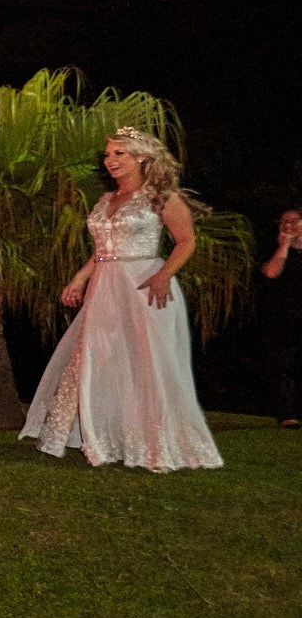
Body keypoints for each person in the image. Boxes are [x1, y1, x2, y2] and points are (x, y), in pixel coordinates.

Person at [21, 128, 223, 471]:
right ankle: (103, 435)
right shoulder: (105, 200)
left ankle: (155, 442)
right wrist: (80, 278)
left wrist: (163, 275)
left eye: (119, 154)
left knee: (147, 360)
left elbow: (186, 241)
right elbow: (103, 251)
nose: (109, 160)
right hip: (105, 286)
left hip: (144, 285)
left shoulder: (161, 196)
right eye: (108, 154)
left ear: (141, 157)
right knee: (98, 357)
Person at [261, 209, 300, 428]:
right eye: (284, 221)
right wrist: (284, 246)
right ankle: (287, 415)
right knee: (281, 366)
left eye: (295, 220)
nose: (289, 225)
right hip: (281, 318)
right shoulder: (274, 249)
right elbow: (271, 272)